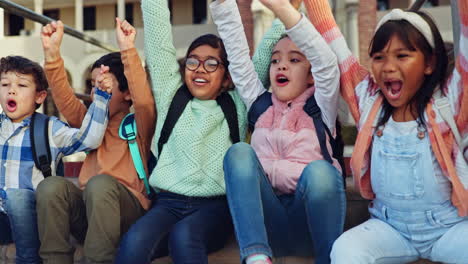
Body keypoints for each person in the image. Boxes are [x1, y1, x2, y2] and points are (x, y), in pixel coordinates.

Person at [304, 0, 468, 262]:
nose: (388, 66)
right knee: (345, 250)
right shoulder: (367, 102)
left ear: (429, 63)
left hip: (449, 228)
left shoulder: (450, 101)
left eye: (402, 56)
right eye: (379, 57)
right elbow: (331, 36)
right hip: (389, 229)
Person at [212, 0, 345, 263]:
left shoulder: (322, 106)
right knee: (239, 152)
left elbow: (326, 63)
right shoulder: (260, 105)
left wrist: (283, 9)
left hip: (310, 223)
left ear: (311, 75)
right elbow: (238, 57)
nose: (281, 66)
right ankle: (256, 257)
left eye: (294, 60)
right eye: (275, 61)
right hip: (270, 223)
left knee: (320, 173)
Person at [114, 0, 247, 263]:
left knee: (184, 237)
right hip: (168, 204)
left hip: (215, 207)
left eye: (211, 63)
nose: (199, 68)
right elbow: (157, 32)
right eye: (193, 61)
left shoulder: (240, 102)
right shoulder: (171, 94)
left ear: (228, 76)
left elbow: (258, 50)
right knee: (133, 242)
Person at [36, 18, 156, 264]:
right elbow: (65, 100)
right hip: (90, 212)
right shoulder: (89, 123)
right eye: (93, 86)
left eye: (105, 85)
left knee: (100, 184)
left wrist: (128, 51)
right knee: (51, 187)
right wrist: (52, 55)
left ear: (126, 93)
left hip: (127, 211)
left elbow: (143, 99)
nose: (95, 92)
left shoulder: (139, 123)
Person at [0, 55, 111, 264]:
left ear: (40, 97)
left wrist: (101, 99)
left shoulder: (49, 128)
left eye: (22, 85)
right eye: (5, 84)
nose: (11, 90)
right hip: (2, 219)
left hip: (31, 218)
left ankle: (28, 259)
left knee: (17, 198)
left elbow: (89, 139)